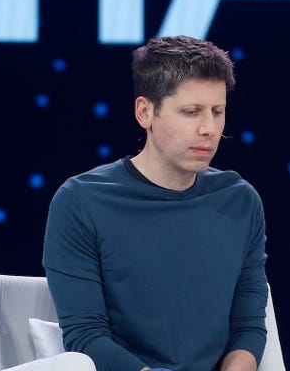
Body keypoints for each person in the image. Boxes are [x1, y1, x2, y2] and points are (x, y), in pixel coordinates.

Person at [42, 36, 268, 371]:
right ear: (145, 112)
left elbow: (248, 326)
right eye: (191, 112)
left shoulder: (240, 200)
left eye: (218, 112)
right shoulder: (81, 202)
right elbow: (85, 336)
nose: (209, 129)